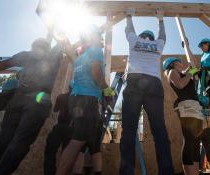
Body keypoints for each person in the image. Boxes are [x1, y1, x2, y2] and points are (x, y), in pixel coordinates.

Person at [0, 32, 63, 174]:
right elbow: (62, 43)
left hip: (21, 99)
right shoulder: (52, 55)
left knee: (4, 141)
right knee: (18, 142)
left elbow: (5, 63)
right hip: (36, 101)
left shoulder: (28, 55)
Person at [120, 8, 174, 175]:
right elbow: (163, 36)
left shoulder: (134, 41)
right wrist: (160, 19)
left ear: (143, 36)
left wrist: (129, 15)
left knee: (129, 129)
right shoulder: (157, 45)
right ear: (151, 37)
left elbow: (128, 30)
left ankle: (126, 172)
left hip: (135, 81)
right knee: (159, 130)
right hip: (153, 84)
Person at [56, 25, 113, 175]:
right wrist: (107, 90)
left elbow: (69, 53)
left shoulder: (81, 57)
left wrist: (64, 39)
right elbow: (96, 71)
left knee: (78, 140)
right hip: (88, 99)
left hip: (76, 99)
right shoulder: (95, 51)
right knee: (77, 142)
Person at [162, 57, 210, 175]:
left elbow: (189, 78)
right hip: (186, 106)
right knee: (190, 139)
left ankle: (195, 171)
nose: (181, 64)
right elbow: (180, 85)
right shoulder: (171, 72)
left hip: (194, 106)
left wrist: (191, 70)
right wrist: (190, 72)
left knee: (196, 141)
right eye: (179, 63)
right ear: (173, 64)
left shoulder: (180, 73)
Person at [44, 89, 73, 175]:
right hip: (71, 129)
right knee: (67, 156)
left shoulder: (61, 96)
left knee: (50, 152)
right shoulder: (79, 98)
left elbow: (55, 110)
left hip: (59, 127)